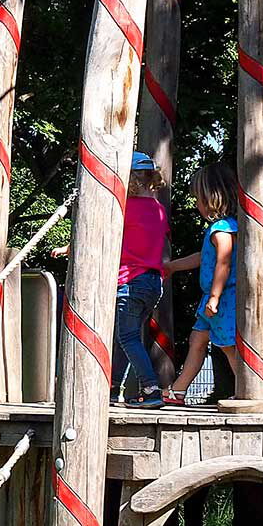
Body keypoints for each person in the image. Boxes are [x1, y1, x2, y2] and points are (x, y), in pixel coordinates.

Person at [162, 162, 240, 406]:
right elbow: (204, 257)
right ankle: (179, 390)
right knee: (197, 340)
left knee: (228, 346)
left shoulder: (222, 230)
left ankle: (248, 388)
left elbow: (223, 263)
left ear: (212, 198)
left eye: (198, 199)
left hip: (222, 299)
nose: (196, 204)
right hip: (212, 298)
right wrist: (173, 266)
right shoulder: (219, 229)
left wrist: (215, 297)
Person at [112, 150, 170, 409]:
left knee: (127, 337)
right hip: (152, 282)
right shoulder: (158, 209)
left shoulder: (126, 208)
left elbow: (107, 233)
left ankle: (150, 389)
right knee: (126, 335)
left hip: (130, 280)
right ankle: (113, 388)